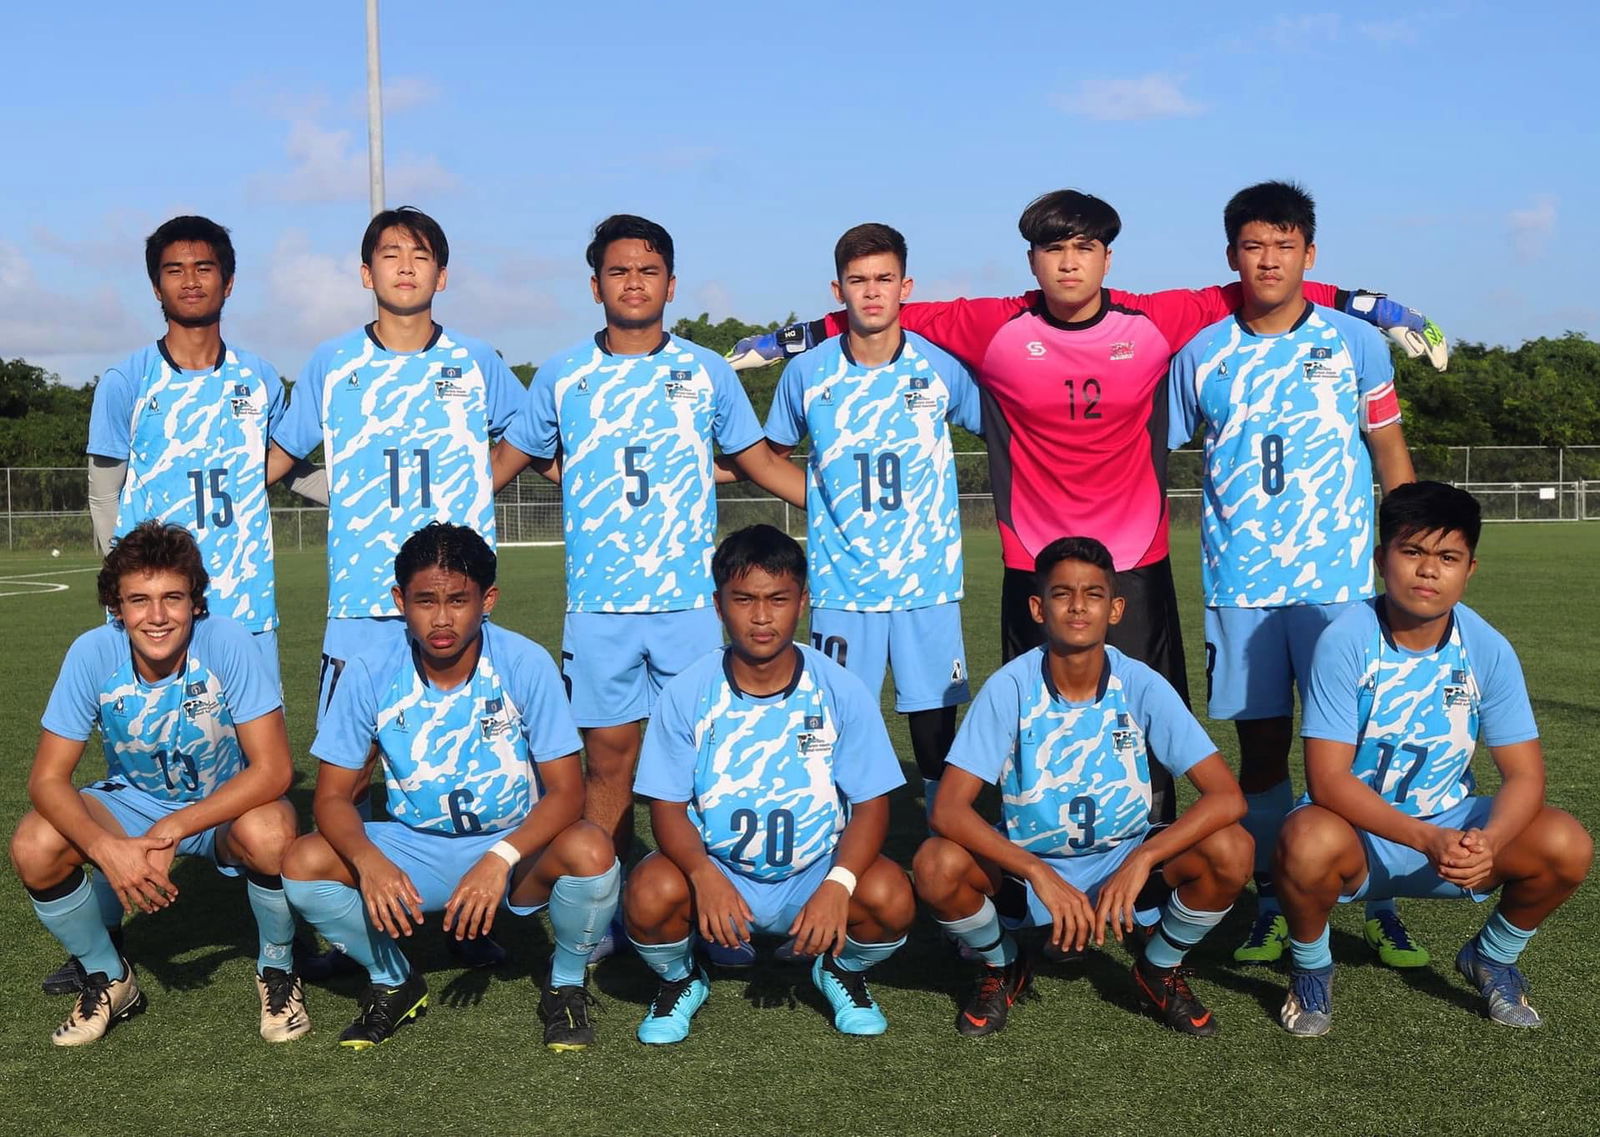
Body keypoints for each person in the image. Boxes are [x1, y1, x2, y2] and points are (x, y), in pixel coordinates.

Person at [729, 193, 1447, 829]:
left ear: (1107, 256)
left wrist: (1365, 305)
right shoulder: (992, 324)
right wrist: (794, 339)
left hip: (1134, 562)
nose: (1069, 265)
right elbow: (881, 307)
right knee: (1033, 728)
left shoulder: (1158, 318)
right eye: (1053, 249)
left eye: (1084, 249)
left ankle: (1156, 882)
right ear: (1032, 259)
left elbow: (1259, 284)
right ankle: (1032, 878)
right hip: (1033, 563)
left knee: (1155, 725)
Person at [492, 215, 805, 880]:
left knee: (695, 756)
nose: (633, 282)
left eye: (648, 270)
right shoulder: (562, 374)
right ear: (595, 283)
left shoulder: (706, 370)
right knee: (607, 758)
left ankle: (691, 894)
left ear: (670, 283)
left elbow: (757, 461)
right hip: (600, 608)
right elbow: (510, 461)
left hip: (689, 604)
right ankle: (602, 898)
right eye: (618, 271)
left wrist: (841, 507)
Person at [1167, 181, 1419, 967]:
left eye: (1283, 244)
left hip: (1339, 587)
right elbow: (1145, 457)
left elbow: (1388, 452)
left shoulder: (1356, 343)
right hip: (1240, 588)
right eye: (1252, 245)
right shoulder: (1202, 353)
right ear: (1231, 256)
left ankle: (1376, 898)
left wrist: (1412, 547)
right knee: (1264, 752)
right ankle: (1276, 899)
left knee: (1359, 750)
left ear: (1310, 255)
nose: (1267, 258)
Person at [281, 523, 621, 1051]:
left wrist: (499, 859)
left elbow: (567, 792)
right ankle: (393, 978)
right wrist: (369, 861)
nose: (441, 618)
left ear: (488, 599)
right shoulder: (371, 671)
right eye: (425, 601)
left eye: (459, 600)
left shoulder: (524, 662)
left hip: (511, 848)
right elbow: (330, 796)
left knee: (592, 848)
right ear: (400, 601)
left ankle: (566, 984)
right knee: (304, 861)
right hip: (416, 846)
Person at [1275, 482, 1592, 1036]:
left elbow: (1525, 775)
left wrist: (1487, 842)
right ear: (1381, 560)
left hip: (1451, 833)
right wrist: (1426, 838)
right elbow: (1327, 780)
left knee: (1566, 843)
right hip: (1359, 836)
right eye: (1412, 552)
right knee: (1304, 842)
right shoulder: (1345, 639)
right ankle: (1311, 971)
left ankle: (1492, 957)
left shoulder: (1487, 647)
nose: (1428, 571)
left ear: (1469, 569)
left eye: (1447, 557)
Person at [914, 536, 1251, 1038]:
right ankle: (1003, 966)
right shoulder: (1009, 687)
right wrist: (1036, 872)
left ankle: (1158, 968)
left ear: (1115, 609)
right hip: (1030, 869)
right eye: (1062, 594)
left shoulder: (1141, 683)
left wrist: (1140, 859)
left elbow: (1227, 796)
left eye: (1093, 594)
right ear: (1037, 607)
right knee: (934, 864)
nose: (1077, 606)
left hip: (1124, 856)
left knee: (1232, 848)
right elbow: (947, 810)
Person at [9, 521, 306, 1046]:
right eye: (139, 600)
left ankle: (277, 970)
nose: (158, 616)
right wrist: (108, 848)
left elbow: (274, 769)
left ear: (195, 600)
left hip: (224, 806)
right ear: (116, 607)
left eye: (173, 597)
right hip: (132, 804)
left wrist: (174, 827)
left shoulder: (228, 643)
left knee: (272, 834)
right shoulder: (92, 653)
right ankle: (109, 975)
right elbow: (47, 779)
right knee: (35, 844)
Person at [623, 525, 913, 1043]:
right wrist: (702, 875)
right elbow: (664, 806)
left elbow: (872, 805)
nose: (761, 617)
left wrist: (837, 886)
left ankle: (841, 970)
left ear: (802, 601)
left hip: (813, 873)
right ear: (718, 605)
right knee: (648, 894)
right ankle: (683, 978)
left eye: (777, 599)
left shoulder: (839, 688)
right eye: (744, 600)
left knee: (890, 896)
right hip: (722, 873)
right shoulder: (688, 691)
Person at [267, 206, 522, 726]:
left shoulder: (476, 360)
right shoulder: (333, 361)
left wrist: (478, 483)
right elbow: (282, 456)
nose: (406, 266)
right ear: (367, 273)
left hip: (456, 594)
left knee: (462, 748)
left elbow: (530, 438)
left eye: (421, 255)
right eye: (391, 255)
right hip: (361, 597)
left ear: (442, 276)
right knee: (349, 762)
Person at [763, 222, 983, 818]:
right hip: (842, 586)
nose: (872, 292)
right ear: (837, 290)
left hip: (927, 582)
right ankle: (838, 838)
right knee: (835, 719)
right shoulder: (807, 374)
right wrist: (825, 497)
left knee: (934, 718)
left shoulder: (939, 367)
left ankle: (944, 828)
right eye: (858, 281)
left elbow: (1007, 430)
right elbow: (764, 456)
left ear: (906, 286)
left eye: (884, 279)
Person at [87, 216, 325, 698]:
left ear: (229, 281)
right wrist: (120, 587)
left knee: (260, 756)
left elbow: (289, 472)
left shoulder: (259, 378)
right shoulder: (127, 380)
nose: (190, 281)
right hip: (159, 606)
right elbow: (102, 492)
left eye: (203, 267)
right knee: (158, 747)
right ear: (156, 286)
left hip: (245, 601)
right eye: (174, 270)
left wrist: (367, 494)